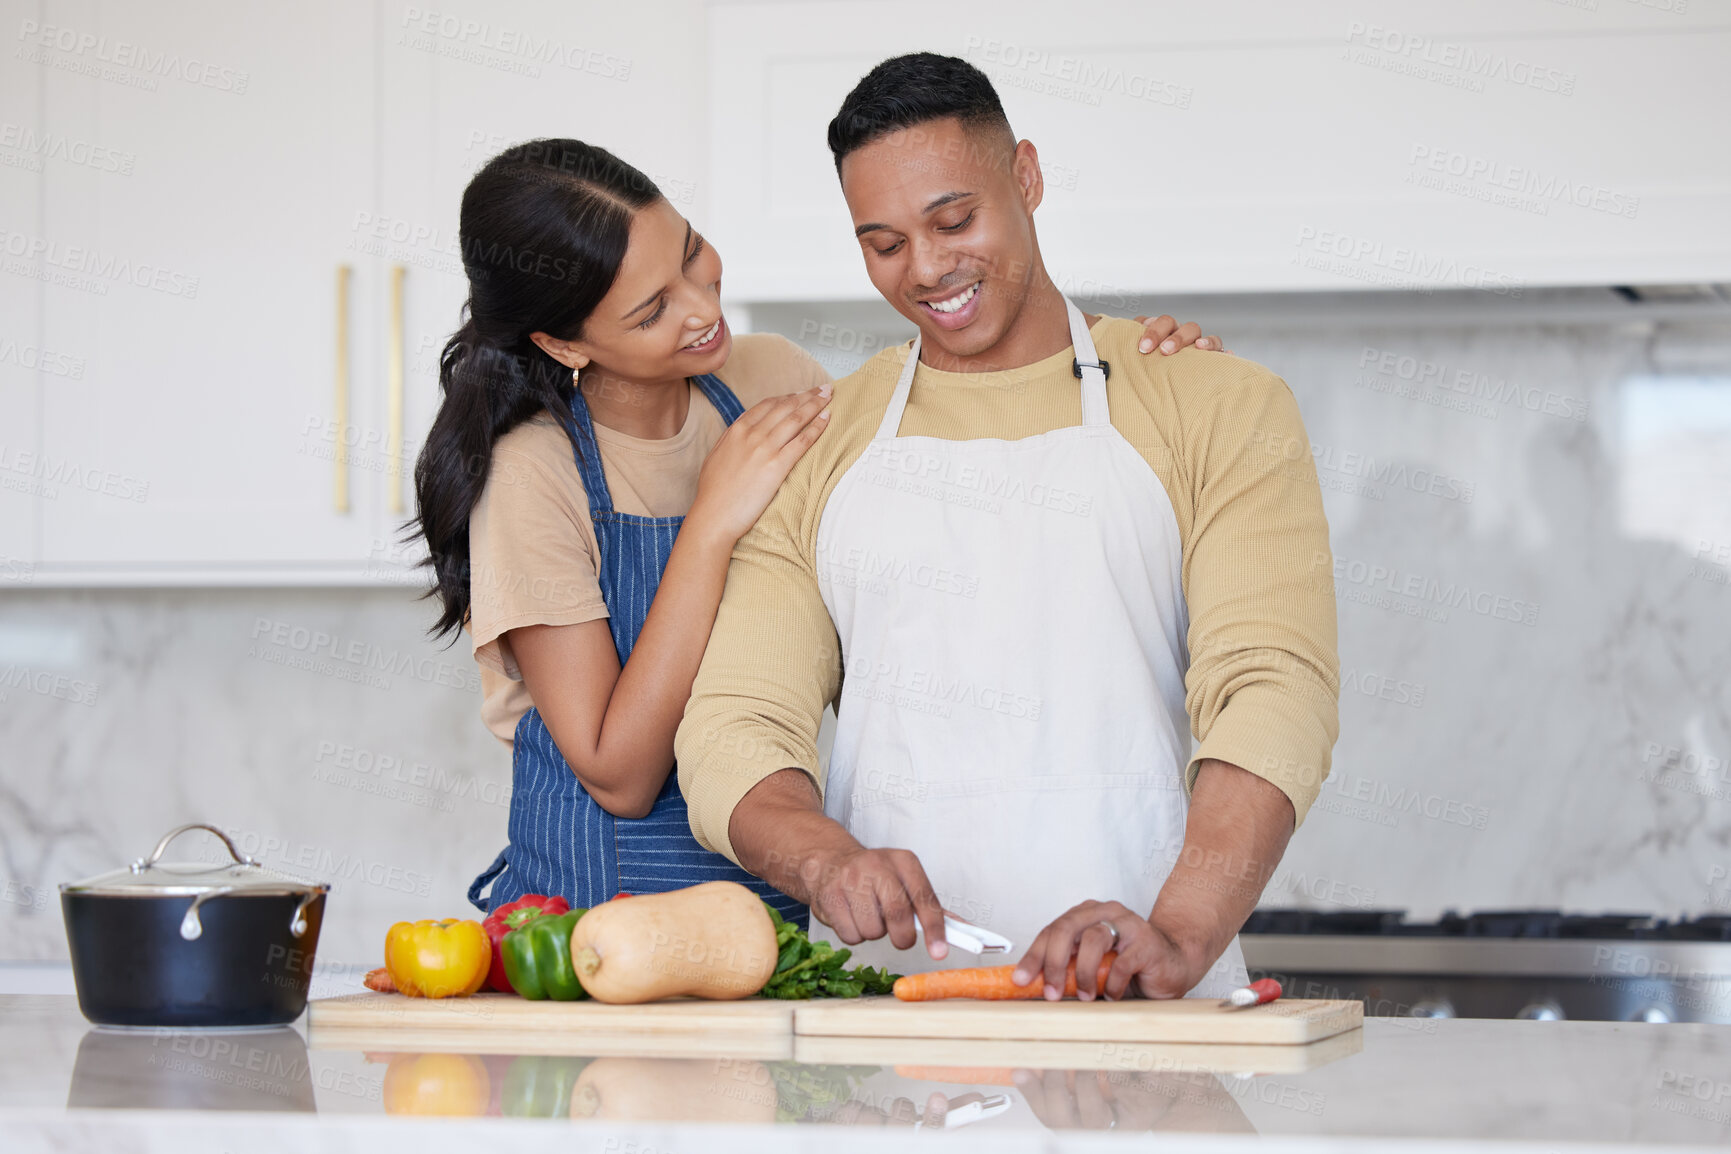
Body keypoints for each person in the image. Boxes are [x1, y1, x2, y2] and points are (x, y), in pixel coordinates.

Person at [410, 138, 1229, 920]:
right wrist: (711, 525)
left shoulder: (771, 379)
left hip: (775, 904)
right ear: (563, 341)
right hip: (601, 927)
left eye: (691, 255)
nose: (701, 310)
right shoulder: (530, 475)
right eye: (654, 308)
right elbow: (617, 772)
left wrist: (1137, 373)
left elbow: (919, 512)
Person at [674, 55, 1340, 1001]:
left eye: (954, 221)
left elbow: (1272, 692)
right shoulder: (820, 440)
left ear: (1025, 177)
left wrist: (1179, 934)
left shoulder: (1215, 403)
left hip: (1144, 990)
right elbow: (738, 723)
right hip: (890, 1028)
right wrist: (824, 862)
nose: (929, 269)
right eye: (883, 243)